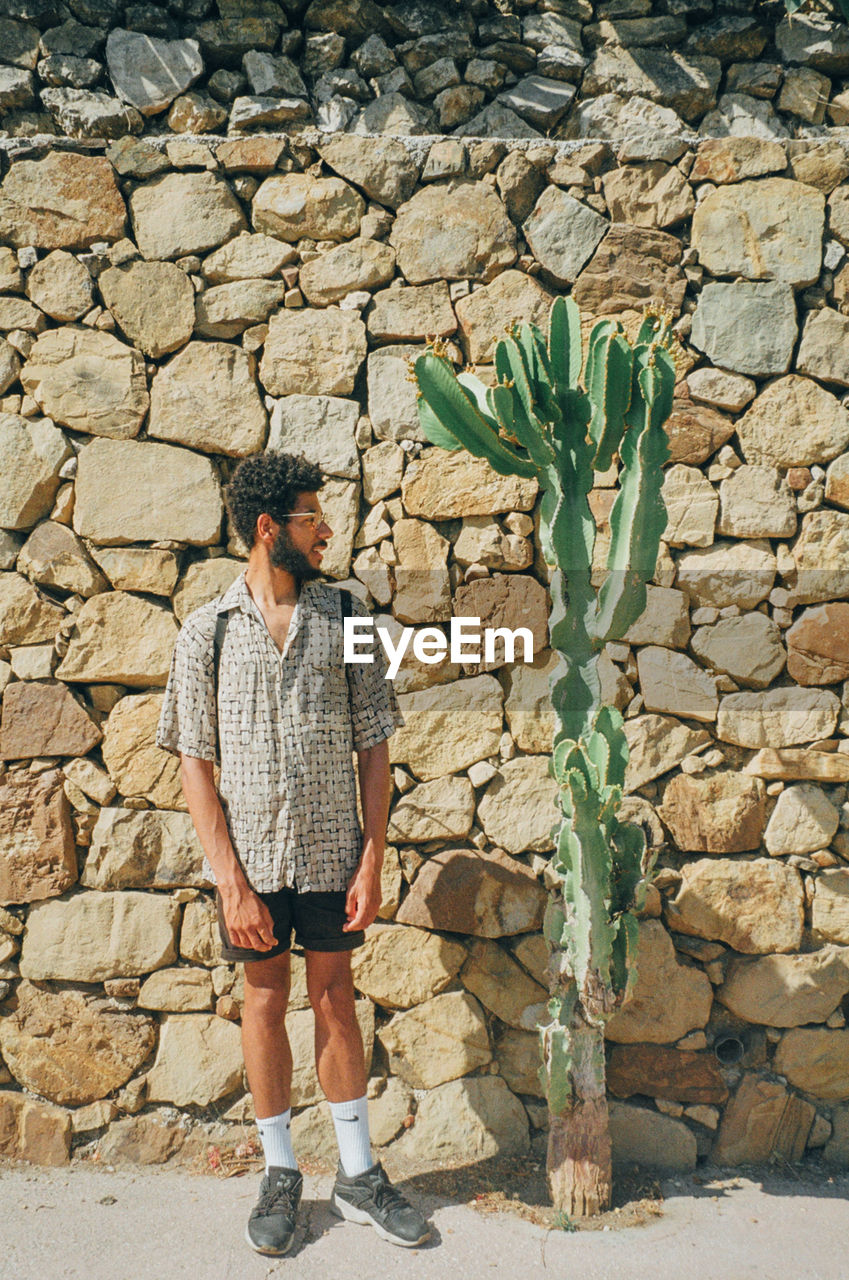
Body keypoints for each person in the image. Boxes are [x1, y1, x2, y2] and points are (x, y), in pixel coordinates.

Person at [156, 450, 430, 1256]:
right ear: (270, 528)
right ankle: (280, 1173)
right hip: (250, 865)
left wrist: (373, 857)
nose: (326, 532)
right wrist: (228, 882)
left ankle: (356, 1171)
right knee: (265, 999)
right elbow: (194, 767)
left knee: (336, 996)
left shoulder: (345, 621)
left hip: (331, 855)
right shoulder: (205, 634)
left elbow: (374, 749)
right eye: (313, 519)